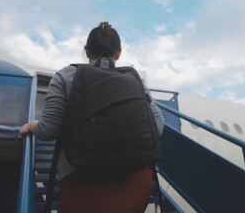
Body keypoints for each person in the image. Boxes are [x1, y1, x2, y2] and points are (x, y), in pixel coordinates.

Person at [20, 22, 164, 213]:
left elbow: (49, 130)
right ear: (118, 53)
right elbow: (158, 126)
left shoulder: (65, 76)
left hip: (83, 184)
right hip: (136, 183)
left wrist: (31, 126)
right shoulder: (134, 78)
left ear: (86, 51)